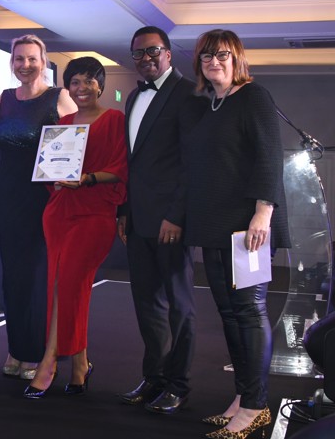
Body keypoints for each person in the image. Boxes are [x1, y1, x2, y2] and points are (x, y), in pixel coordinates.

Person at [184, 29, 289, 439]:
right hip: (215, 224)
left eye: (223, 55)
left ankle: (256, 406)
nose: (214, 62)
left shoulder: (254, 96)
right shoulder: (209, 103)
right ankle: (243, 398)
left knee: (249, 311)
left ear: (237, 58)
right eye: (207, 56)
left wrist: (263, 213)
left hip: (248, 226)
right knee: (229, 314)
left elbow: (269, 157)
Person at [24, 56, 127, 398]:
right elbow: (49, 172)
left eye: (89, 81)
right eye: (75, 82)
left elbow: (122, 169)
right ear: (67, 87)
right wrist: (54, 177)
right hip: (59, 213)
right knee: (63, 285)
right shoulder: (63, 124)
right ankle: (80, 363)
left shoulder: (114, 120)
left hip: (94, 213)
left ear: (101, 85)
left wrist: (88, 178)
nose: (82, 88)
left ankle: (49, 360)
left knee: (68, 283)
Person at [116, 25, 197, 414]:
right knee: (147, 304)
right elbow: (134, 163)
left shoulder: (189, 94)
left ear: (168, 52)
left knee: (179, 305)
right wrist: (125, 210)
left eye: (153, 51)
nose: (146, 58)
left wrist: (176, 215)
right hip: (138, 219)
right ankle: (154, 378)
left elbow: (192, 163)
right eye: (138, 53)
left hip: (171, 221)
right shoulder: (133, 97)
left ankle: (178, 384)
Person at [0, 34, 76, 380]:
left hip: (43, 196)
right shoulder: (5, 97)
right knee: (12, 273)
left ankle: (39, 352)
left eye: (32, 59)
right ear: (12, 62)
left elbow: (77, 144)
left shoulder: (59, 97)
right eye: (19, 59)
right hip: (7, 192)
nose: (25, 65)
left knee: (38, 275)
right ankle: (16, 349)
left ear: (44, 62)